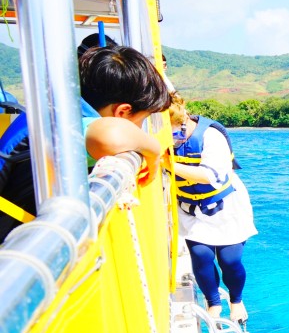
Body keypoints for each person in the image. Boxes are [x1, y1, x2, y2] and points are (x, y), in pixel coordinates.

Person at [1, 45, 167, 242]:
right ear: (122, 112)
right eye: (142, 120)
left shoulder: (57, 110)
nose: (140, 129)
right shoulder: (65, 124)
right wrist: (154, 151)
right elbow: (109, 135)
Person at [169, 94, 256, 325]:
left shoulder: (210, 136)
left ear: (184, 121)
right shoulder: (160, 141)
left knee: (230, 260)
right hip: (190, 208)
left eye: (177, 132)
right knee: (201, 257)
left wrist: (167, 164)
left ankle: (236, 300)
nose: (174, 140)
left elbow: (210, 176)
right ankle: (213, 302)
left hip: (225, 206)